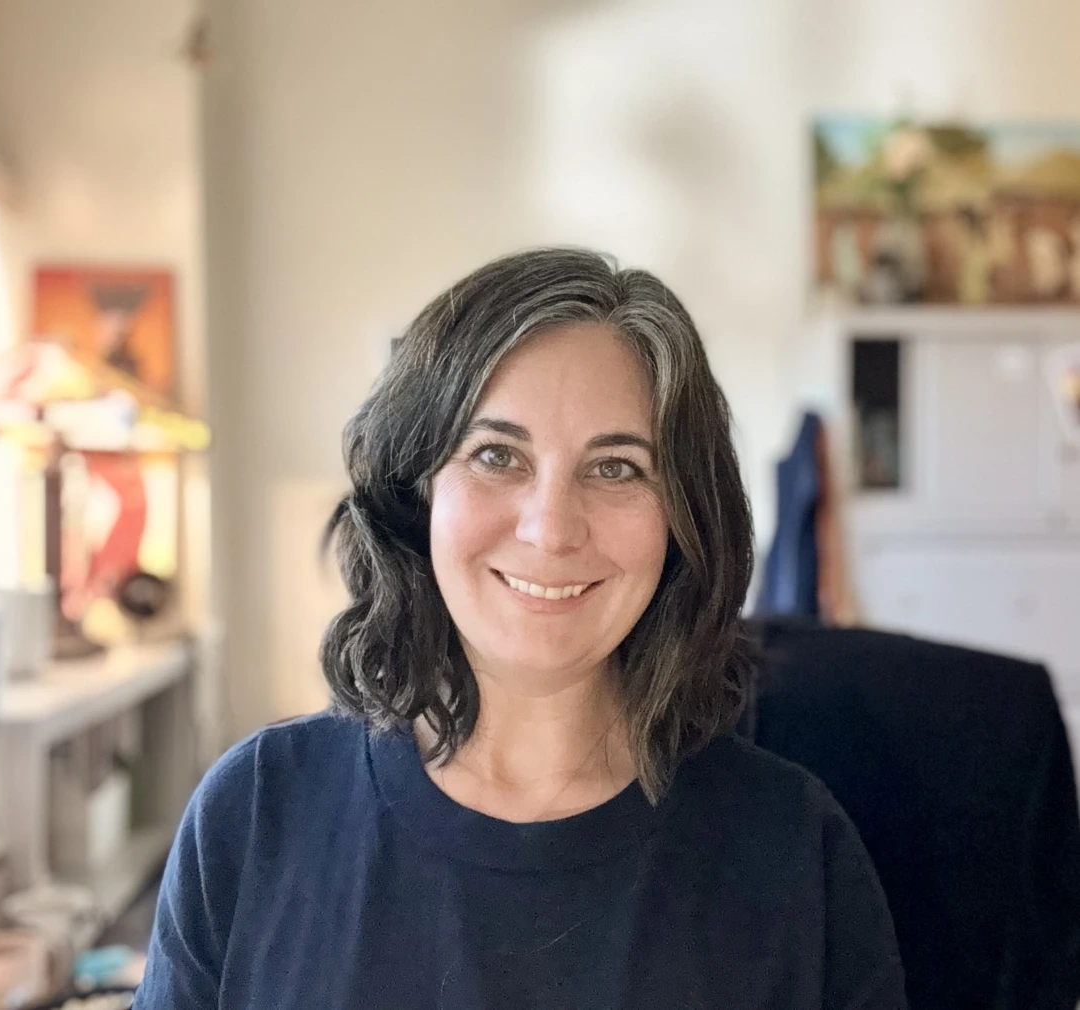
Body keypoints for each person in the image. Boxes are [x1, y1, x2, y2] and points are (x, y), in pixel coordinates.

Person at [134, 249, 907, 1009]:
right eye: (497, 455)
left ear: (684, 522)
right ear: (418, 493)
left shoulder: (794, 855)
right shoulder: (256, 815)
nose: (550, 528)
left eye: (616, 468)